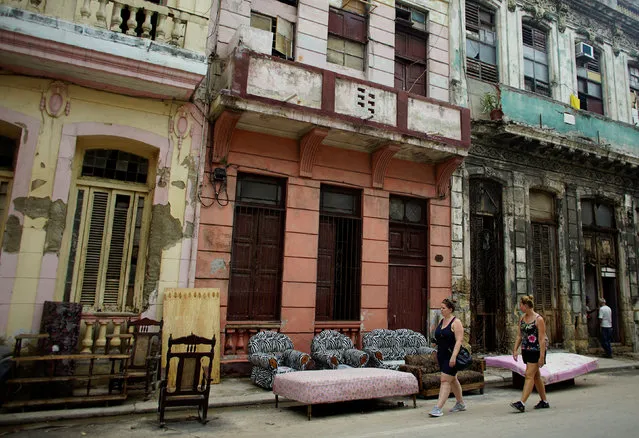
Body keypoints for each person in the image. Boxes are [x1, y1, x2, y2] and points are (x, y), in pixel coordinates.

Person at [510, 295, 549, 412]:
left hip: (536, 350)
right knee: (536, 376)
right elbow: (519, 335)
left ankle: (522, 402)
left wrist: (541, 356)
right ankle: (544, 401)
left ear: (526, 306)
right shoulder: (522, 318)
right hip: (526, 349)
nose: (520, 307)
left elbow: (542, 339)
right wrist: (515, 349)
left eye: (521, 305)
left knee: (529, 375)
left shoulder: (539, 320)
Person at [429, 298, 466, 417]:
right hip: (442, 355)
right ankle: (460, 403)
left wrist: (454, 356)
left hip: (451, 356)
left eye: (443, 308)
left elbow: (459, 341)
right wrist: (434, 343)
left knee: (445, 380)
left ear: (450, 309)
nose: (441, 310)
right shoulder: (442, 321)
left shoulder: (456, 322)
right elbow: (440, 337)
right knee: (453, 379)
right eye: (441, 308)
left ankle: (438, 408)